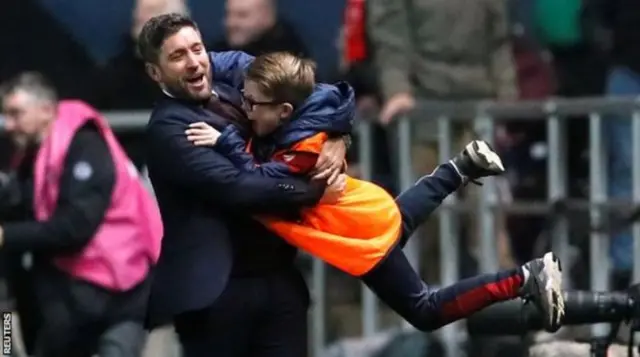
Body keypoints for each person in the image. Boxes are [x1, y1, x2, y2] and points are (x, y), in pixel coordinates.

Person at [184, 51, 566, 332]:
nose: (245, 108)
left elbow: (258, 182)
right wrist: (201, 64)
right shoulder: (295, 105)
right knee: (400, 219)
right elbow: (239, 65)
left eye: (253, 103)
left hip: (357, 235)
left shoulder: (303, 150)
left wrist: (225, 140)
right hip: (363, 210)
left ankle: (525, 277)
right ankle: (461, 167)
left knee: (426, 311)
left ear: (285, 110)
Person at [138, 14, 350, 357]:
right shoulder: (170, 129)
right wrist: (313, 191)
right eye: (178, 56)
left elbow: (310, 89)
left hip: (279, 280)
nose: (194, 62)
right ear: (155, 73)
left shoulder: (231, 75)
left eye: (197, 49)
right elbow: (239, 188)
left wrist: (338, 135)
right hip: (218, 296)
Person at [0, 72, 163, 357]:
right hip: (69, 287)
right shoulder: (32, 155)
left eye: (16, 114)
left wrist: (5, 236)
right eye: (6, 115)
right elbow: (19, 207)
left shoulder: (85, 146)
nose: (9, 125)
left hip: (117, 287)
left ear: (45, 110)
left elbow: (74, 227)